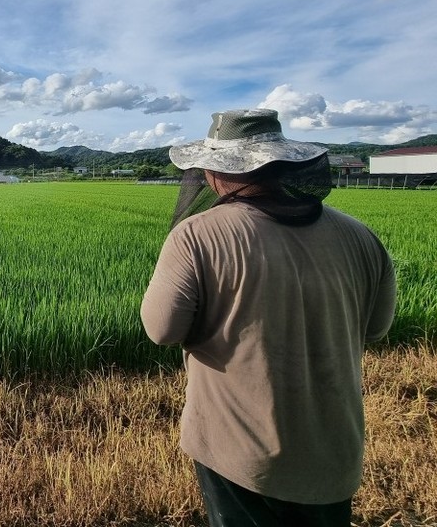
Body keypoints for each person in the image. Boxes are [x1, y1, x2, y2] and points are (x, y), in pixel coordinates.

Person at [140, 108, 397, 527]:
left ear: (216, 171)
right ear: (282, 167)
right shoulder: (361, 236)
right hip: (334, 450)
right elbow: (378, 328)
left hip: (239, 452)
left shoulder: (196, 235)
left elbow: (161, 330)